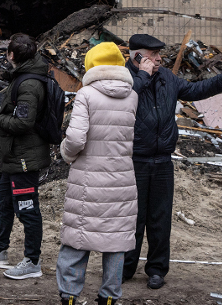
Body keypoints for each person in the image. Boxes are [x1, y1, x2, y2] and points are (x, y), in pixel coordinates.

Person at [123, 33, 222, 289]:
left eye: (159, 55)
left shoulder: (167, 77)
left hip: (162, 161)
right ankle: (125, 268)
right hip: (133, 161)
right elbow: (127, 100)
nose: (159, 59)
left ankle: (157, 269)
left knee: (160, 218)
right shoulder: (124, 79)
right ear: (136, 56)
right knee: (131, 218)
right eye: (152, 55)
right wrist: (143, 76)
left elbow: (192, 90)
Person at [56, 42, 138, 305]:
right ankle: (109, 298)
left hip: (89, 179)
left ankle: (69, 296)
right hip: (122, 180)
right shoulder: (132, 96)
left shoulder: (86, 95)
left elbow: (76, 139)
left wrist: (66, 154)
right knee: (115, 241)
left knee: (77, 238)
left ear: (91, 65)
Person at [0, 32, 51, 280]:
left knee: (28, 209)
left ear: (11, 55)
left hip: (24, 157)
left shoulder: (29, 83)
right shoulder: (22, 76)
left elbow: (23, 122)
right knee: (4, 202)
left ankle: (32, 261)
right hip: (13, 155)